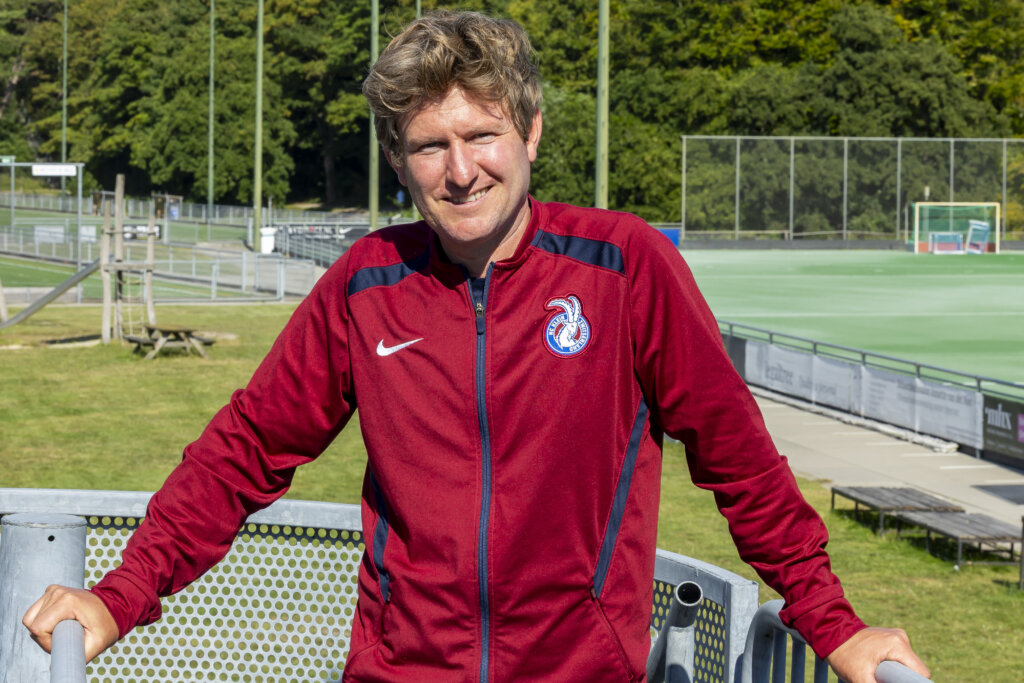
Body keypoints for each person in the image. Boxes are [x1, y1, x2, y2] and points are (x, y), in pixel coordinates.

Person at [24, 11, 929, 682]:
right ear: (398, 159)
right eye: (430, 146)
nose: (460, 171)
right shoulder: (367, 283)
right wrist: (120, 593)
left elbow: (740, 460)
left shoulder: (624, 267)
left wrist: (833, 623)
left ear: (529, 132)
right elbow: (242, 453)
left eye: (482, 135)